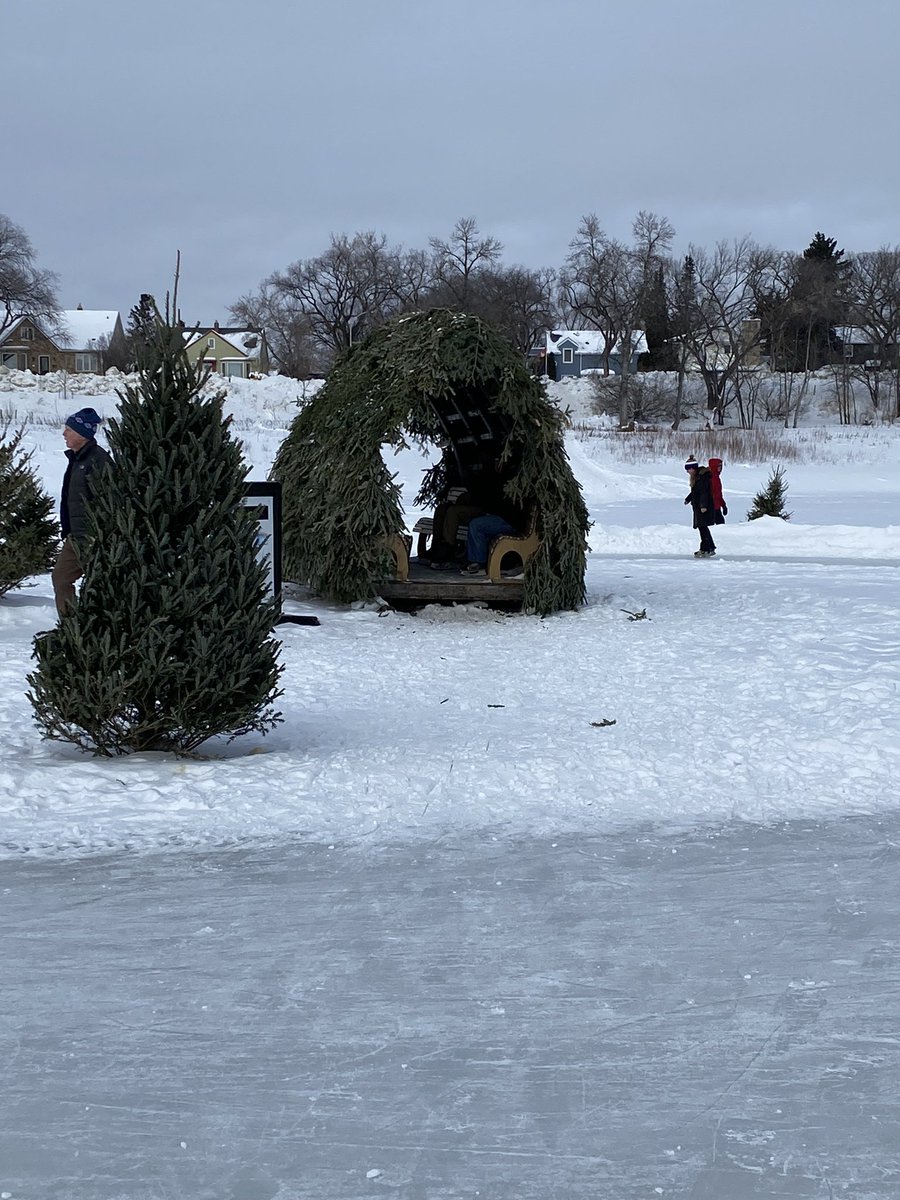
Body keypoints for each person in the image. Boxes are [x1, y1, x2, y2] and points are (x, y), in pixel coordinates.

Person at [51, 408, 112, 616]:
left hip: (93, 537)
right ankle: (70, 628)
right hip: (75, 537)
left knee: (98, 585)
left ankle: (98, 629)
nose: (64, 434)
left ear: (82, 434)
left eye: (68, 430)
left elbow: (108, 500)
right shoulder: (76, 460)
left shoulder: (98, 460)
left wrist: (97, 534)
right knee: (60, 577)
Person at [683, 456, 719, 558]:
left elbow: (704, 492)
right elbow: (695, 492)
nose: (687, 472)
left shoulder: (702, 477)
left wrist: (703, 506)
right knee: (703, 527)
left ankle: (705, 549)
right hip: (699, 506)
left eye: (688, 469)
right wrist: (688, 499)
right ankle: (710, 547)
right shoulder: (698, 477)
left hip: (703, 507)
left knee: (702, 527)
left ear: (693, 468)